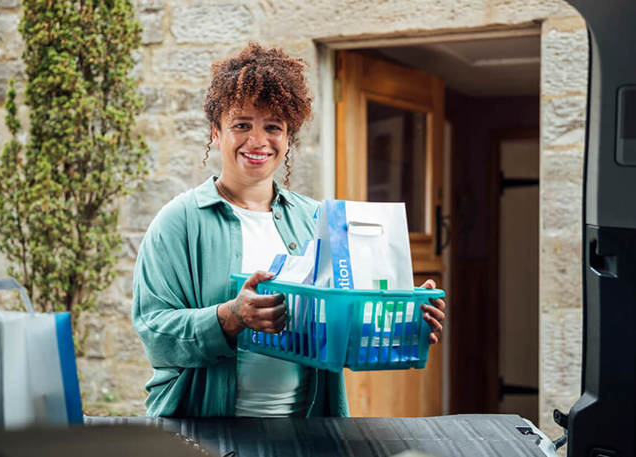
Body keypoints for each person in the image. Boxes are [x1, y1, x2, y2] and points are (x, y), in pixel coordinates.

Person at [132, 42, 446, 418]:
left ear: (288, 138)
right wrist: (230, 317)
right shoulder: (179, 221)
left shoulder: (316, 219)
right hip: (206, 428)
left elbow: (344, 327)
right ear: (216, 133)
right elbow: (154, 331)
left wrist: (403, 318)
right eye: (241, 125)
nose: (258, 141)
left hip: (305, 430)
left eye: (273, 127)